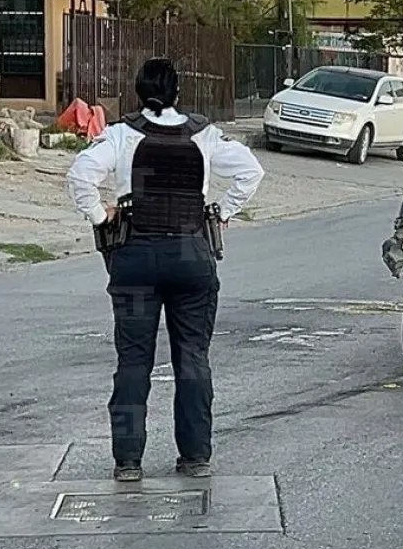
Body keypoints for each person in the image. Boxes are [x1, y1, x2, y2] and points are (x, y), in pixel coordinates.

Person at [66, 57, 265, 482]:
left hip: (135, 259)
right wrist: (224, 211)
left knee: (133, 362)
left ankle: (128, 462)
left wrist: (100, 217)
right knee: (193, 359)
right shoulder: (205, 134)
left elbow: (80, 174)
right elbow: (252, 170)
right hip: (192, 259)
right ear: (178, 93)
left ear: (138, 93)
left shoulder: (120, 134)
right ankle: (195, 457)